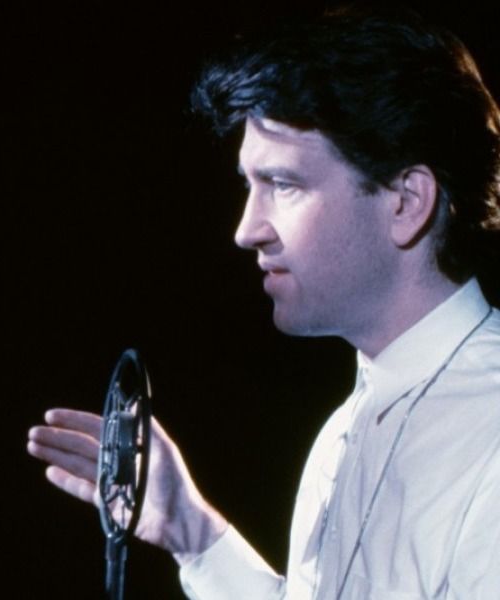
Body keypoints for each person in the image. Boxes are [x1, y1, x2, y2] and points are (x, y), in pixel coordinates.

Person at [28, 8, 500, 599]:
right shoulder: (344, 430)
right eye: (250, 185)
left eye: (284, 184)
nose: (247, 229)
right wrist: (192, 532)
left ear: (407, 202)